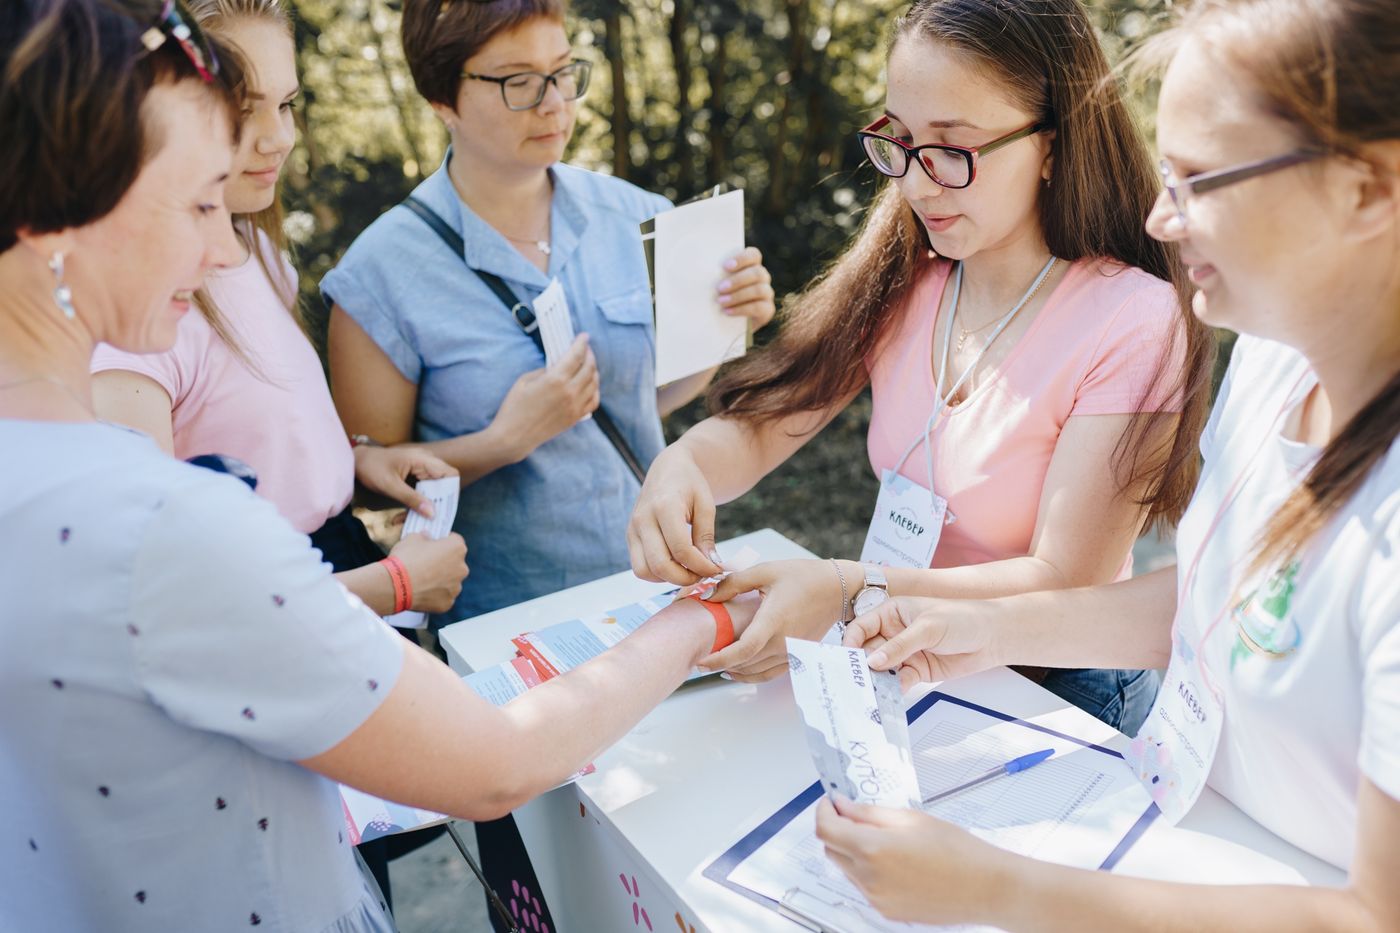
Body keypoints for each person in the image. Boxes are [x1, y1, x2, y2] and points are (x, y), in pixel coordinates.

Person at [0, 4, 757, 931]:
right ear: (58, 216)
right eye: (195, 202)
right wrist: (711, 614)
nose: (213, 249)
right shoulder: (170, 523)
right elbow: (492, 763)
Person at [819, 0, 1400, 926]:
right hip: (1170, 833)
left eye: (1203, 179)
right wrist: (988, 633)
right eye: (1167, 175)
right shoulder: (1273, 356)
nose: (1164, 219)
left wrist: (998, 888)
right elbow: (1215, 599)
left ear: (1365, 189)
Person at [629, 0, 1214, 734]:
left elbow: (1066, 581)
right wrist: (683, 463)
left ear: (1053, 146)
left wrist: (848, 589)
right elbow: (766, 423)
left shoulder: (1133, 317)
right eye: (900, 142)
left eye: (952, 149)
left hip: (1056, 692)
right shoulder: (910, 272)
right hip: (905, 665)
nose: (916, 183)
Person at [320, 0, 777, 629]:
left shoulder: (639, 213)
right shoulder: (379, 273)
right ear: (441, 96)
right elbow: (369, 481)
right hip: (506, 625)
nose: (553, 101)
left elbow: (642, 401)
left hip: (656, 589)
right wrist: (502, 442)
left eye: (563, 72)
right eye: (518, 82)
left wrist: (731, 323)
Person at [89, 0, 468, 626]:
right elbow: (157, 595)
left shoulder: (257, 248)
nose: (280, 137)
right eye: (243, 111)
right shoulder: (134, 323)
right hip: (278, 622)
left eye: (287, 104)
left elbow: (257, 430)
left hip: (336, 568)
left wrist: (356, 461)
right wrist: (392, 587)